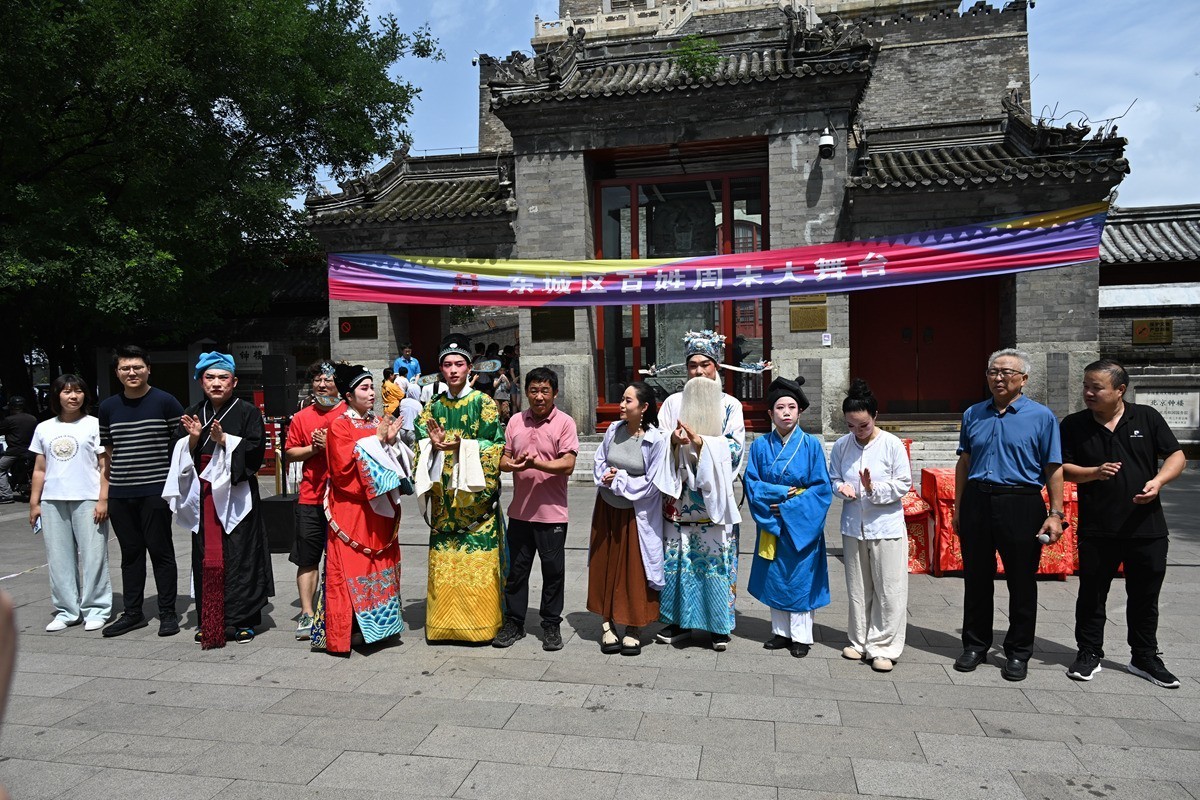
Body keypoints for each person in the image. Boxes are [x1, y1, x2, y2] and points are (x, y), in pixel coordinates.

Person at [1061, 359, 1185, 689]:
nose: (1088, 392)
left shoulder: (1146, 417)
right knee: (1092, 594)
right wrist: (1093, 473)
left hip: (1147, 527)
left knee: (1145, 595)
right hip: (1098, 527)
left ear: (1120, 390)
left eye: (1096, 387)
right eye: (1085, 386)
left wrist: (1158, 482)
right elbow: (1060, 468)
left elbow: (1176, 456)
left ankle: (1144, 656)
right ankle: (1089, 652)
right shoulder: (1074, 425)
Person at [952, 348, 1064, 682]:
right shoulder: (973, 413)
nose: (998, 378)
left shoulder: (1042, 417)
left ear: (1024, 379)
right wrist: (959, 508)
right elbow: (965, 462)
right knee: (976, 579)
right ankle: (975, 645)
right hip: (977, 501)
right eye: (993, 372)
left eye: (1006, 372)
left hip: (1021, 502)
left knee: (1021, 581)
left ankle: (1018, 652)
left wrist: (1055, 513)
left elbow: (1053, 467)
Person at [168, 351, 274, 647]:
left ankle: (242, 619)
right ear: (200, 381)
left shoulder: (247, 412)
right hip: (204, 495)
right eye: (210, 378)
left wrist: (225, 440)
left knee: (242, 553)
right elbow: (176, 454)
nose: (216, 383)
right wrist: (192, 439)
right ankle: (210, 618)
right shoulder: (192, 412)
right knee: (207, 554)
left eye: (223, 378)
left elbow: (255, 449)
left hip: (237, 493)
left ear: (234, 381)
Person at [310, 363, 409, 656]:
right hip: (351, 509)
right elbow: (342, 472)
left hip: (378, 510)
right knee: (352, 569)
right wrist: (378, 439)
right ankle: (349, 630)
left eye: (371, 387)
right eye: (364, 388)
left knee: (380, 566)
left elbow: (391, 461)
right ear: (348, 395)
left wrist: (391, 442)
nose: (371, 394)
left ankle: (381, 627)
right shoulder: (339, 425)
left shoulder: (376, 419)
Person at [655, 330, 744, 651]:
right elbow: (657, 444)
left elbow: (735, 449)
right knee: (679, 561)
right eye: (692, 365)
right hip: (679, 498)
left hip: (714, 501)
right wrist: (672, 442)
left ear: (716, 366)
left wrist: (702, 442)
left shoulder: (731, 406)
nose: (698, 371)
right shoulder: (671, 403)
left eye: (705, 364)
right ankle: (678, 621)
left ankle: (718, 625)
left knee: (715, 560)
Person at [414, 334, 506, 643]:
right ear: (440, 369)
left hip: (474, 504)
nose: (453, 370)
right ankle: (442, 626)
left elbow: (495, 447)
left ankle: (479, 626)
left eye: (459, 364)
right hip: (444, 503)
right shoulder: (433, 407)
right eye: (447, 365)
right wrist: (432, 447)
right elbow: (420, 442)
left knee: (476, 563)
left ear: (470, 368)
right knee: (446, 565)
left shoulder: (484, 404)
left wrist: (461, 446)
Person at [98, 345, 185, 637]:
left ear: (148, 369)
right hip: (121, 492)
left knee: (161, 552)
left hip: (155, 490)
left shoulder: (166, 401)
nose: (131, 373)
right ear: (117, 373)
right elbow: (110, 451)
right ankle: (133, 612)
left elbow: (180, 445)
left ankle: (168, 613)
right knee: (130, 553)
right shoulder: (108, 407)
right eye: (125, 368)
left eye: (137, 367)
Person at [745, 376, 832, 658]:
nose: (785, 412)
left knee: (800, 576)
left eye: (791, 407)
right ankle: (780, 632)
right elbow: (752, 483)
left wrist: (787, 506)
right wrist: (784, 494)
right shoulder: (759, 446)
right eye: (780, 407)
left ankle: (802, 636)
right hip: (772, 524)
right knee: (775, 575)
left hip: (801, 525)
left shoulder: (811, 445)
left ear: (800, 412)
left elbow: (821, 488)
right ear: (770, 413)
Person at [828, 378, 911, 672]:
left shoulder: (891, 445)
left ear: (875, 416)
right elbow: (835, 477)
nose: (857, 432)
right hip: (853, 525)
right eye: (850, 426)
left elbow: (904, 483)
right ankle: (859, 641)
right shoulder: (841, 446)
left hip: (885, 525)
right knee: (857, 586)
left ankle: (884, 646)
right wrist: (842, 489)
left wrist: (873, 488)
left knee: (889, 588)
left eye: (862, 425)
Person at [493, 368, 579, 651]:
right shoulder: (516, 421)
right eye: (533, 390)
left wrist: (535, 465)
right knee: (516, 572)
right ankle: (514, 622)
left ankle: (551, 624)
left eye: (545, 391)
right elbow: (503, 460)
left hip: (552, 513)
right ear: (526, 392)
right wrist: (512, 465)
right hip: (519, 513)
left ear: (554, 393)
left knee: (553, 571)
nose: (539, 396)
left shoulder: (565, 423)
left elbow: (567, 464)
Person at [588, 381, 671, 656]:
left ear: (644, 407)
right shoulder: (613, 430)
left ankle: (634, 626)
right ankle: (606, 622)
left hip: (637, 515)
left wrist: (620, 478)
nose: (622, 405)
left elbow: (653, 483)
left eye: (628, 401)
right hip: (607, 508)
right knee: (605, 564)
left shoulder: (655, 440)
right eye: (622, 400)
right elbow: (600, 461)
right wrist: (606, 477)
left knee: (633, 570)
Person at [28, 374, 112, 632]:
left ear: (85, 395)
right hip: (53, 499)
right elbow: (39, 469)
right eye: (66, 391)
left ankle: (96, 608)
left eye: (78, 391)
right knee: (58, 558)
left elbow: (105, 465)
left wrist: (103, 499)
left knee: (94, 556)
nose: (73, 396)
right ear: (57, 396)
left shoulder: (95, 425)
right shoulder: (44, 428)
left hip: (87, 498)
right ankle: (67, 610)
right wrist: (34, 502)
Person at [282, 360, 343, 641]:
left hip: (344, 499)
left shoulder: (349, 413)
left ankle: (339, 608)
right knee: (307, 558)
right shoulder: (302, 417)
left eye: (327, 380)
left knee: (341, 558)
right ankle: (307, 612)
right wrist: (313, 448)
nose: (322, 384)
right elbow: (289, 453)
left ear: (338, 384)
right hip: (311, 497)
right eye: (317, 380)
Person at [0, 396, 38, 504]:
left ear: (12, 407)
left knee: (0, 468)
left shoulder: (9, 420)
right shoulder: (32, 418)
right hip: (31, 451)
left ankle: (6, 495)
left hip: (14, 452)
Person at [397, 381, 424, 447]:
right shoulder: (419, 405)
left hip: (402, 429)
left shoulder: (403, 401)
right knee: (412, 454)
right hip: (412, 431)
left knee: (404, 451)